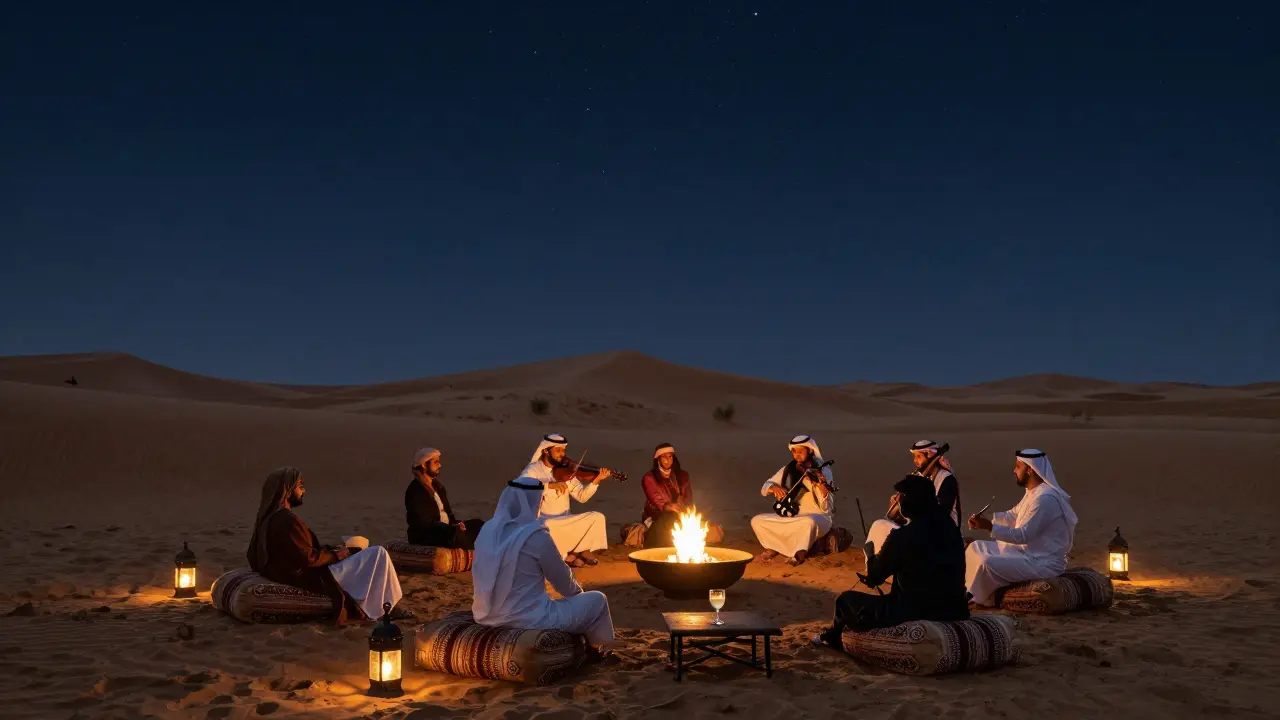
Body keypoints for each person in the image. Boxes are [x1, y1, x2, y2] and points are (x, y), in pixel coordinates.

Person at [812, 474, 969, 647]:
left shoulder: (903, 536)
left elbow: (874, 577)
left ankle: (833, 640)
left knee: (845, 601)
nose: (897, 501)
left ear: (910, 501)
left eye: (900, 496)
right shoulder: (951, 528)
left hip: (914, 611)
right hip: (955, 609)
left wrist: (870, 554)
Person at [471, 476, 616, 658]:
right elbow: (565, 584)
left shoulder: (487, 530)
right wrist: (580, 600)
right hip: (529, 620)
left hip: (484, 615)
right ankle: (598, 650)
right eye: (540, 500)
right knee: (597, 600)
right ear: (533, 502)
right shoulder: (536, 536)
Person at [246, 466, 406, 626]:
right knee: (378, 553)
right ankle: (382, 609)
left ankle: (379, 604)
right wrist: (337, 555)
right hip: (311, 576)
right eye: (300, 486)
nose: (304, 491)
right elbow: (309, 559)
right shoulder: (286, 521)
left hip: (300, 571)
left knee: (362, 555)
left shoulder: (267, 519)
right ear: (287, 491)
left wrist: (331, 550)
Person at [964, 449, 1078, 606]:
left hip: (1042, 562)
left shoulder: (1045, 499)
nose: (1014, 470)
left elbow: (1023, 535)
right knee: (975, 547)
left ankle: (974, 597)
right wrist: (985, 519)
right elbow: (1013, 515)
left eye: (1018, 466)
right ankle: (968, 589)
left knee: (987, 563)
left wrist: (989, 527)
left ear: (1030, 470)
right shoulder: (1033, 493)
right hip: (1024, 553)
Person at [519, 433, 614, 567]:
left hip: (566, 520)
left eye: (563, 450)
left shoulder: (566, 471)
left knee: (597, 517)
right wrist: (549, 485)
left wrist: (596, 481)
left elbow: (582, 497)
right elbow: (521, 486)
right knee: (549, 527)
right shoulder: (534, 469)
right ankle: (574, 554)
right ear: (546, 451)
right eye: (558, 450)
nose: (562, 454)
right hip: (545, 521)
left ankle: (576, 553)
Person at [750, 435, 836, 566]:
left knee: (808, 523)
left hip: (818, 517)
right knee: (757, 521)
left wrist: (819, 484)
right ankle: (775, 547)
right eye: (794, 452)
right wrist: (774, 487)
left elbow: (825, 507)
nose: (797, 455)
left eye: (800, 451)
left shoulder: (823, 470)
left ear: (810, 451)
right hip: (792, 515)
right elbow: (765, 487)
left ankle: (800, 553)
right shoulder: (788, 469)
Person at [865, 439, 963, 554]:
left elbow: (940, 514)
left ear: (930, 455)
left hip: (942, 536)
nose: (915, 461)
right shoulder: (922, 478)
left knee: (887, 531)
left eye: (919, 457)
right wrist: (899, 505)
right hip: (922, 531)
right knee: (879, 526)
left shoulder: (946, 479)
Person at [638, 443, 725, 548]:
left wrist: (684, 510)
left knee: (712, 531)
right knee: (665, 528)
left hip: (680, 514)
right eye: (664, 457)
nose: (668, 460)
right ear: (658, 459)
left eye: (670, 457)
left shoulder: (683, 476)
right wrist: (669, 507)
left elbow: (688, 499)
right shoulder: (649, 478)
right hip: (657, 515)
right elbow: (656, 501)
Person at [404, 447, 485, 549]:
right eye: (436, 462)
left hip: (446, 529)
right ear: (424, 465)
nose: (440, 465)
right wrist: (451, 528)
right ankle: (475, 555)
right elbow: (423, 523)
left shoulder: (438, 487)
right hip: (426, 535)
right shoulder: (415, 491)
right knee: (454, 534)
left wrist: (457, 524)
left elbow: (449, 515)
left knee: (478, 525)